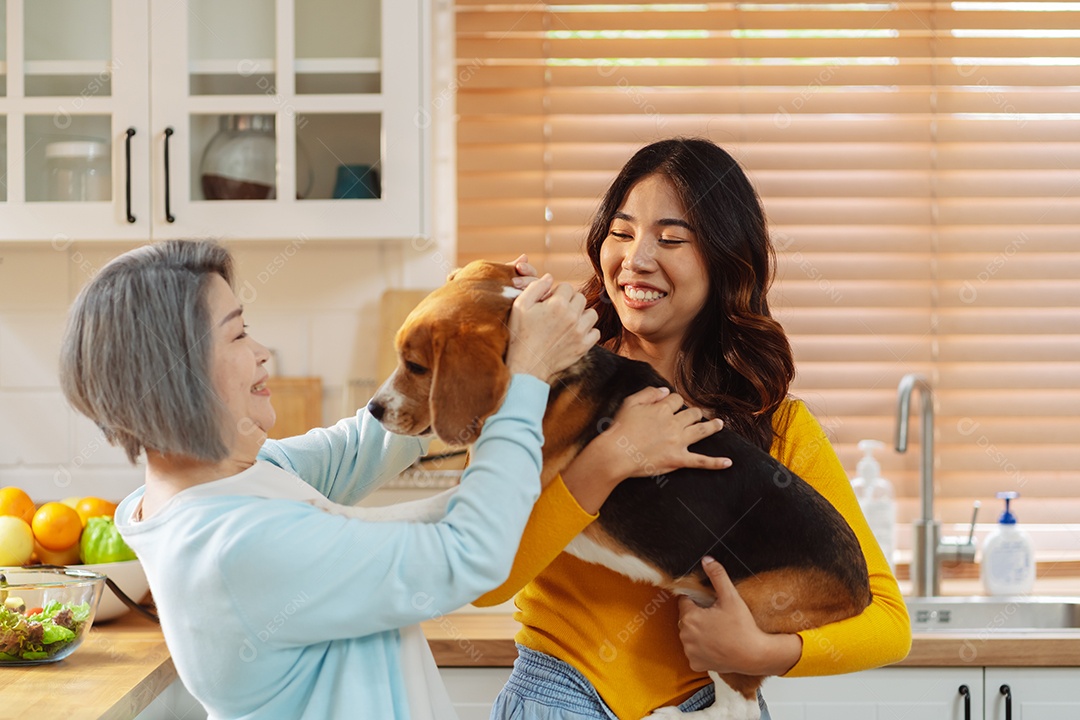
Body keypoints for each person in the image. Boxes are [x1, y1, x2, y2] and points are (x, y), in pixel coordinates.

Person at [57, 239, 603, 720]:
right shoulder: (235, 547)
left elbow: (361, 446)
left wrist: (471, 332)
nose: (262, 352)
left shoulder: (229, 481)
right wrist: (527, 375)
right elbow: (470, 552)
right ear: (177, 373)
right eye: (238, 334)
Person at [478, 138, 912, 719]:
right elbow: (483, 578)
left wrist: (764, 651)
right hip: (560, 699)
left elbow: (888, 622)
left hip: (715, 707)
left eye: (672, 239)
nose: (636, 259)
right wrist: (612, 458)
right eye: (622, 231)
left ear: (725, 262)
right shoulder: (544, 387)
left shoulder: (774, 426)